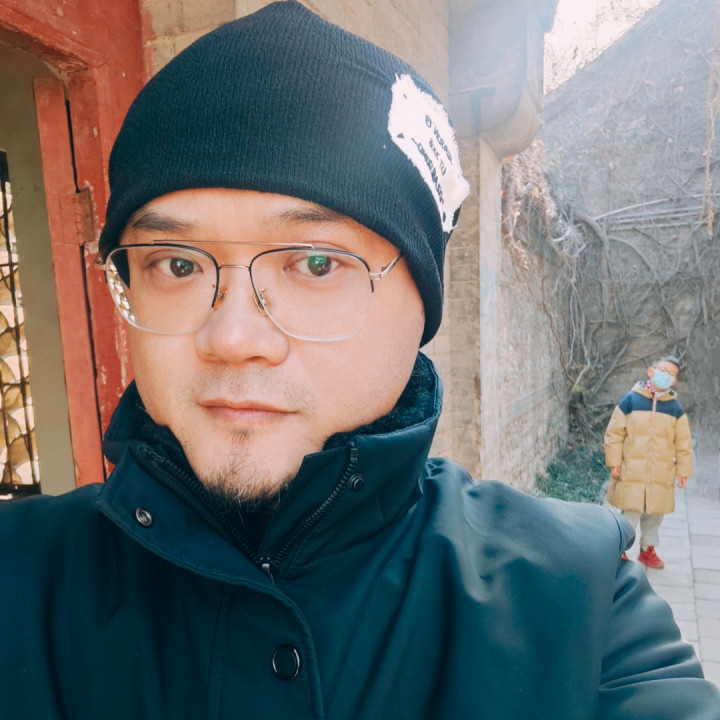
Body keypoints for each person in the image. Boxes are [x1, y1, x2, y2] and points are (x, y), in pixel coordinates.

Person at [1, 3, 718, 718]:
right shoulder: (18, 580)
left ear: (421, 305)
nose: (233, 336)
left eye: (316, 263)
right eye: (177, 264)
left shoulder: (578, 602)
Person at [604, 355, 694, 569]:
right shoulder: (631, 400)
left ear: (675, 381)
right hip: (632, 469)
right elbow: (614, 433)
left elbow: (684, 443)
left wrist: (683, 471)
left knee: (654, 513)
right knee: (630, 512)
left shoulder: (675, 408)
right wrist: (615, 461)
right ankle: (621, 550)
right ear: (651, 371)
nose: (666, 375)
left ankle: (648, 550)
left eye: (671, 374)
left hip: (661, 471)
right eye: (663, 370)